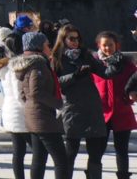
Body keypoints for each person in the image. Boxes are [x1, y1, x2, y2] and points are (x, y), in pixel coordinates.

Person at [50, 25, 109, 176]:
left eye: (77, 38)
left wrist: (113, 61)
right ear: (63, 39)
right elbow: (55, 83)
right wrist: (75, 76)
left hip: (91, 108)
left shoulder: (86, 55)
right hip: (72, 108)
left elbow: (105, 73)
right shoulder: (56, 58)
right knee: (70, 153)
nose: (75, 42)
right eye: (71, 38)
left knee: (95, 154)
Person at [14, 31, 70, 179]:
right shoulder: (38, 65)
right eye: (47, 45)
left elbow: (22, 93)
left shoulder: (27, 64)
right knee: (61, 160)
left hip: (33, 116)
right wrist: (58, 103)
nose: (49, 47)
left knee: (39, 158)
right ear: (38, 47)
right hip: (43, 118)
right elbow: (36, 92)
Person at [91, 31, 137, 179]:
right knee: (97, 150)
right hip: (100, 113)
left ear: (117, 45)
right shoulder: (94, 64)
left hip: (122, 111)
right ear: (99, 45)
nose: (107, 48)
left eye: (111, 44)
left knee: (121, 150)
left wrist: (130, 96)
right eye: (104, 45)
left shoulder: (126, 64)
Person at [0, 31, 29, 179]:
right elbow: (19, 93)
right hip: (19, 112)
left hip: (10, 110)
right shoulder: (16, 68)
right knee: (38, 149)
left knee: (18, 151)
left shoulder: (5, 67)